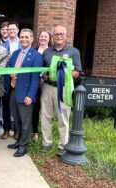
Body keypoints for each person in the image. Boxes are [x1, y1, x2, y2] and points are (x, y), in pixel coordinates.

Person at [41, 25, 82, 157]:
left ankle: (63, 145)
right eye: (56, 34)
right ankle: (46, 143)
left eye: (61, 34)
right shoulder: (47, 51)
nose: (59, 36)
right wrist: (44, 75)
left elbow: (77, 72)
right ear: (52, 36)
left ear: (66, 35)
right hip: (48, 87)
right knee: (45, 116)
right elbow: (43, 70)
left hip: (64, 88)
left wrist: (66, 73)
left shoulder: (73, 51)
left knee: (63, 117)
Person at [7, 28, 43, 157]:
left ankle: (24, 146)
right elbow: (8, 66)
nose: (24, 39)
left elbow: (35, 78)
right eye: (22, 37)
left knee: (25, 122)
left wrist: (30, 95)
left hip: (26, 93)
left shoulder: (36, 56)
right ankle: (18, 141)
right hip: (14, 91)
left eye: (26, 37)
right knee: (16, 120)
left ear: (32, 39)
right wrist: (11, 72)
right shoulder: (16, 53)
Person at [1, 21, 22, 140]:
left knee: (18, 105)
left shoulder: (23, 43)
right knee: (6, 105)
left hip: (20, 79)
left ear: (17, 30)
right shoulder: (4, 46)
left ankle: (17, 130)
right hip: (6, 79)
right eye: (9, 30)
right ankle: (6, 129)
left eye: (13, 29)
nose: (11, 32)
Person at [32, 30, 52, 141]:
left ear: (49, 39)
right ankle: (34, 131)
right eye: (41, 36)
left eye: (45, 36)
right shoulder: (34, 50)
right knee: (35, 108)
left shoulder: (51, 52)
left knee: (46, 110)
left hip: (47, 84)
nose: (43, 38)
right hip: (35, 84)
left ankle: (46, 133)